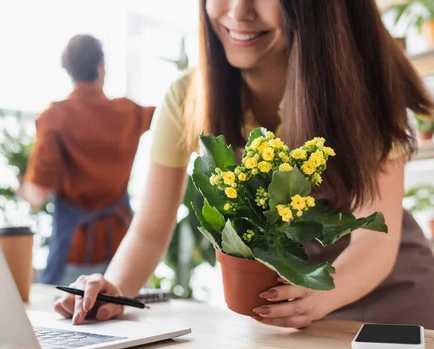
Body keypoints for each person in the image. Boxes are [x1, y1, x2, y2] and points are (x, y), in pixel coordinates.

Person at [54, 0, 434, 329]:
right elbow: (150, 232)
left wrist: (316, 295)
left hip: (392, 305)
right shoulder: (187, 98)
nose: (239, 12)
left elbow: (376, 240)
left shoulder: (355, 87)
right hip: (289, 315)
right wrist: (114, 290)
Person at [21, 35, 155, 286]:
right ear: (100, 67)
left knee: (71, 320)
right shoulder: (129, 112)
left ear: (69, 70)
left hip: (76, 252)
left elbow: (37, 194)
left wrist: (22, 190)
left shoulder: (55, 117)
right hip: (125, 247)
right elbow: (174, 117)